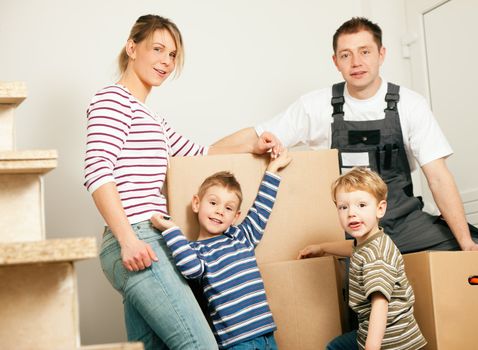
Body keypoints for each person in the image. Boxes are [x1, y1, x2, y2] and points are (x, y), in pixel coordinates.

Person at [213, 16, 478, 253]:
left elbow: (437, 176)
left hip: (404, 222)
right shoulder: (316, 106)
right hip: (350, 229)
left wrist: (466, 243)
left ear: (381, 54)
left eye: (365, 51)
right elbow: (256, 136)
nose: (356, 62)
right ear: (335, 61)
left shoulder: (411, 104)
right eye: (346, 55)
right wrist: (203, 152)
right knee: (359, 289)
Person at [83, 14, 277, 350]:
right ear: (132, 47)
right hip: (136, 237)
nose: (166, 61)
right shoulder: (112, 100)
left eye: (172, 55)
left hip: (150, 238)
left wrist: (253, 142)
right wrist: (128, 238)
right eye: (157, 49)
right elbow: (97, 170)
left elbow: (201, 152)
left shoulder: (152, 119)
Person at [149, 149, 292, 349]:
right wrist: (171, 229)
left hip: (267, 334)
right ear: (197, 203)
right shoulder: (193, 250)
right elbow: (190, 270)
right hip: (235, 342)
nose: (219, 211)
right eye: (214, 202)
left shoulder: (241, 237)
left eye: (228, 208)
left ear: (235, 217)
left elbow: (261, 207)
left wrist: (272, 169)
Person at [298, 167, 426, 350]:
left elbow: (380, 304)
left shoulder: (377, 256)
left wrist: (371, 347)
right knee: (336, 346)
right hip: (379, 330)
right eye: (343, 207)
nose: (351, 213)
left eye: (361, 205)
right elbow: (352, 248)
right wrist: (323, 248)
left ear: (380, 209)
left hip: (391, 341)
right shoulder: (370, 242)